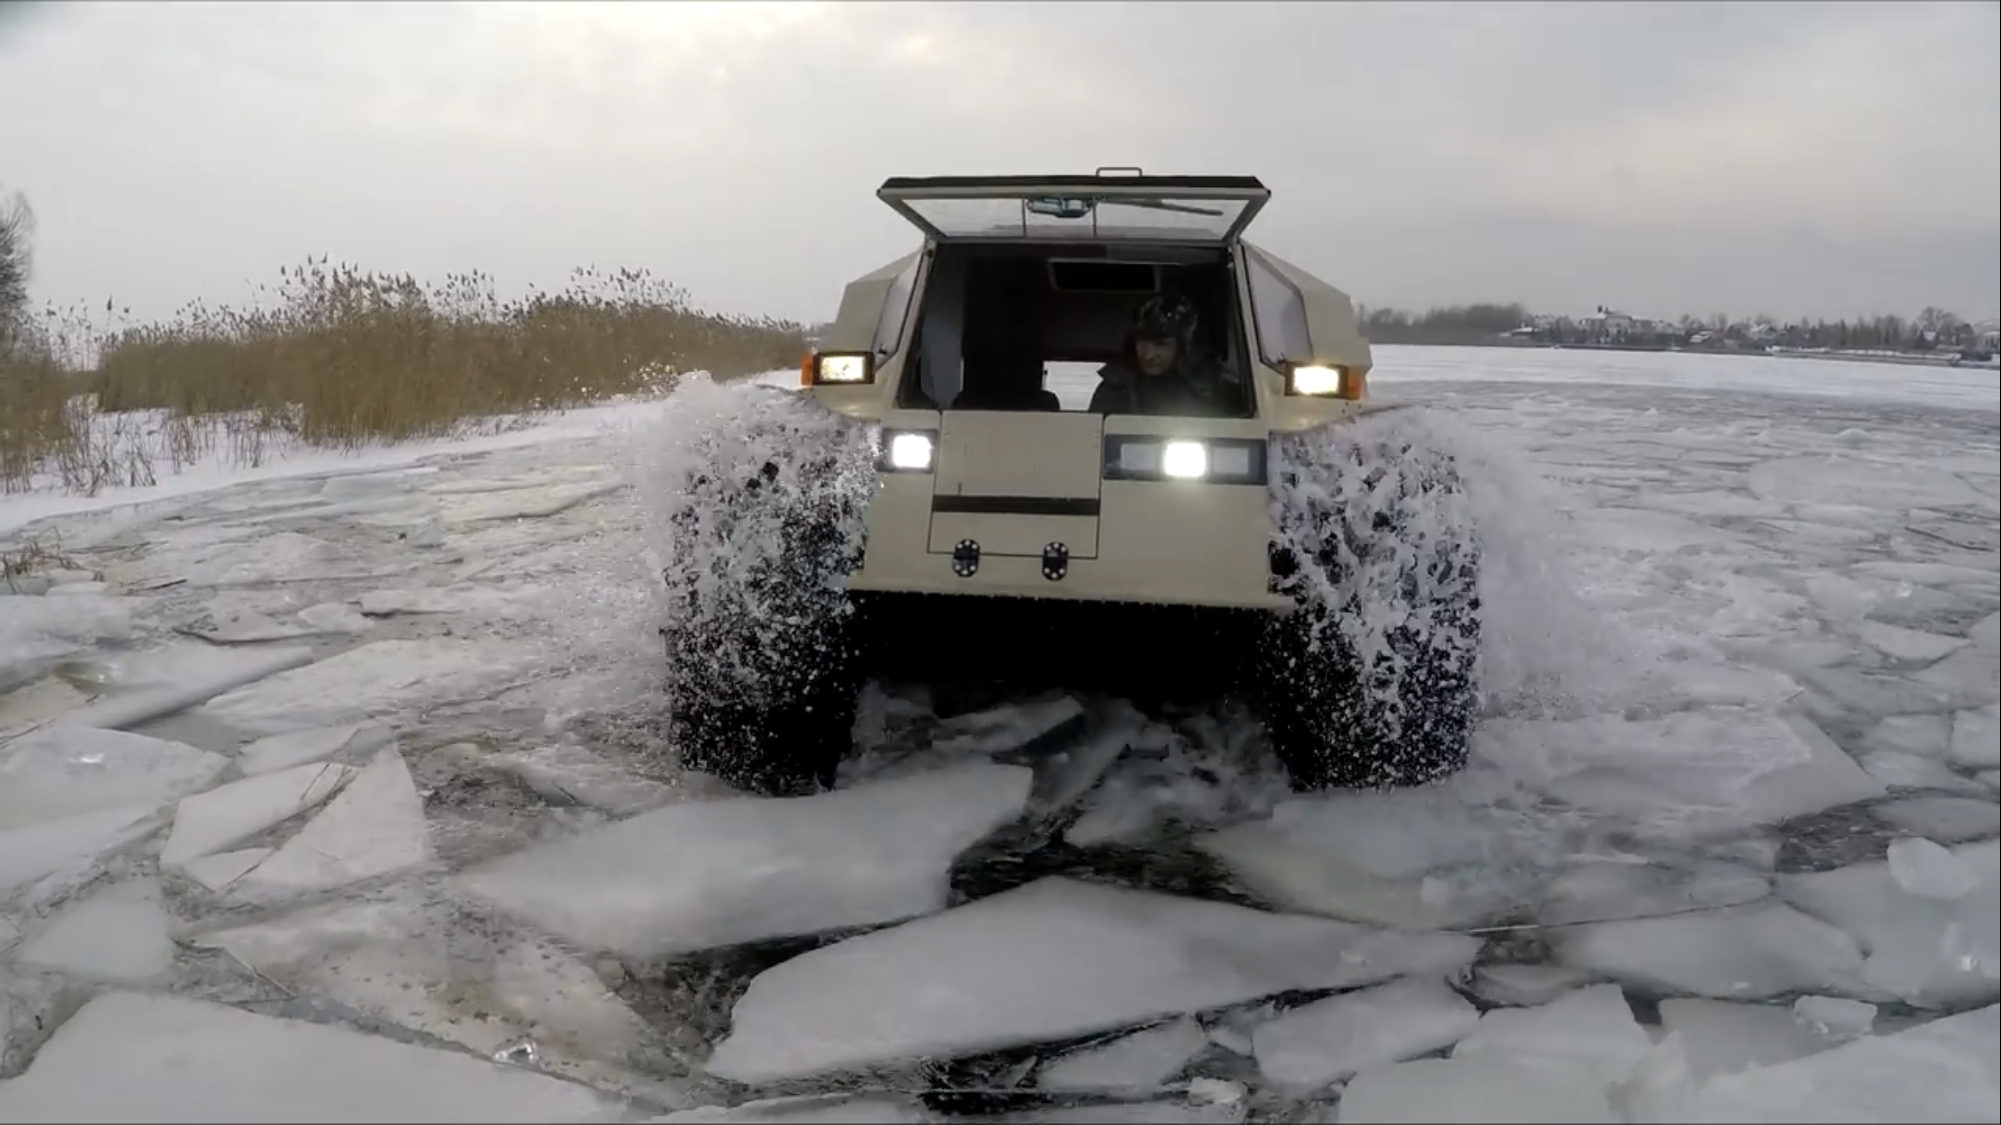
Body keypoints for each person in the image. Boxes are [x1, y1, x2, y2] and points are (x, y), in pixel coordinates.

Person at [1088, 293, 1242, 415]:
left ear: (1182, 346)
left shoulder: (1213, 388)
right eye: (1141, 342)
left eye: (1160, 344)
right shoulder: (1116, 387)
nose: (1148, 355)